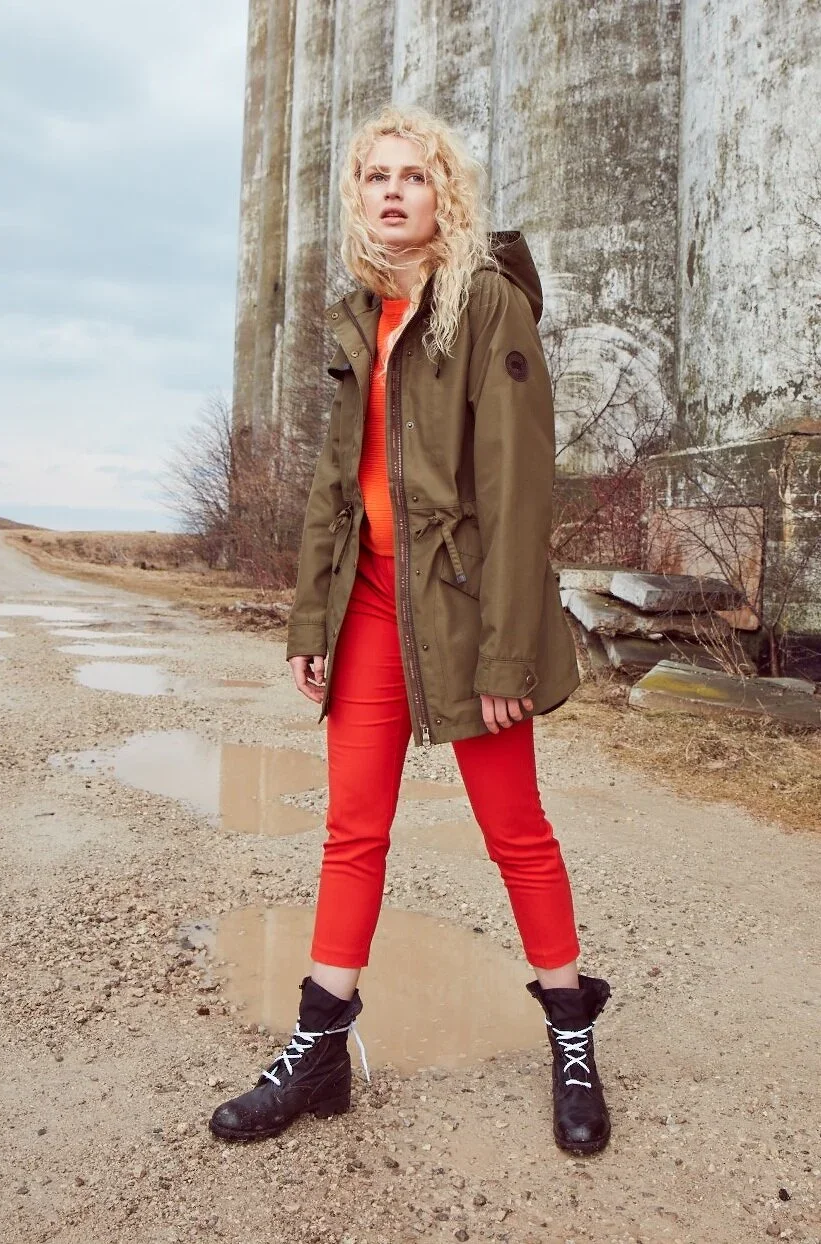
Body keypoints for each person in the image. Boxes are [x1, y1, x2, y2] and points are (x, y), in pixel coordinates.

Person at [209, 104, 612, 1156]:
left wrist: (508, 650)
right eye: (375, 177)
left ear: (446, 194)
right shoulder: (359, 314)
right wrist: (310, 616)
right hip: (369, 604)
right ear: (357, 197)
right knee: (353, 828)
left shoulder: (483, 303)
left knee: (512, 825)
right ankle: (319, 1046)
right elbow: (331, 490)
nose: (393, 192)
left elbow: (520, 492)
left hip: (465, 607)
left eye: (414, 176)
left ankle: (571, 1035)